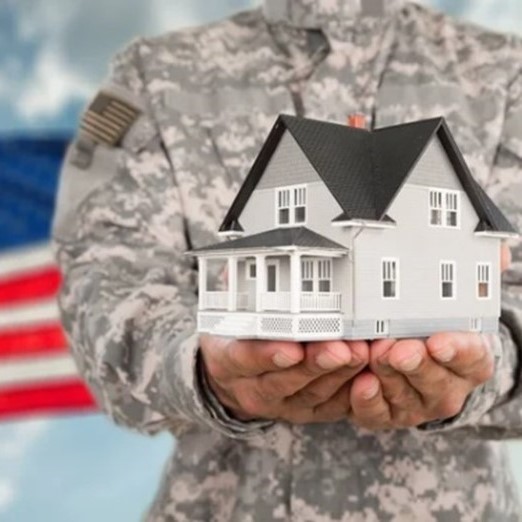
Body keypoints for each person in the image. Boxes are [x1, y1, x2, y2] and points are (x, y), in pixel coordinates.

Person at [52, 0, 522, 519]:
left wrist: (492, 365)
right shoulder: (154, 74)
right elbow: (103, 274)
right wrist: (198, 364)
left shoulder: (507, 74)